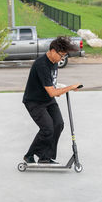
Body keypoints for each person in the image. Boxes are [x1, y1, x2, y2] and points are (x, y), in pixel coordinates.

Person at [22, 36, 81, 164]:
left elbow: (51, 85)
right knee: (47, 129)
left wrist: (62, 88)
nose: (62, 59)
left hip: (47, 99)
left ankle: (45, 157)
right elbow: (52, 91)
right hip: (34, 101)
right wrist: (69, 87)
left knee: (58, 124)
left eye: (64, 56)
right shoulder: (41, 65)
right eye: (61, 55)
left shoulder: (54, 63)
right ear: (53, 51)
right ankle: (29, 155)